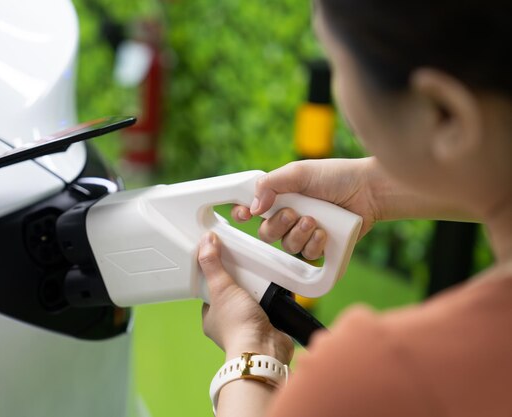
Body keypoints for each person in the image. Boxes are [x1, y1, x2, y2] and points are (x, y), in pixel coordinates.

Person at [197, 0, 512, 416]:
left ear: (444, 112)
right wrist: (374, 192)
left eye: (338, 62)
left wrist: (251, 352)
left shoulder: (382, 373)